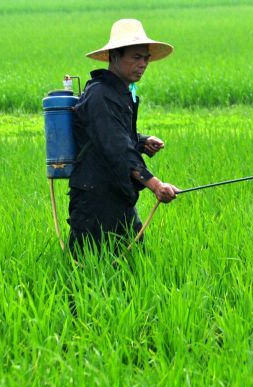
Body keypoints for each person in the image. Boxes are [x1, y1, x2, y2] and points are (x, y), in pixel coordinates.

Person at [68, 19, 178, 256]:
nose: (143, 64)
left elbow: (115, 135)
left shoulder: (119, 93)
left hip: (118, 194)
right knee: (88, 271)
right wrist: (155, 184)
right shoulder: (100, 95)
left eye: (146, 58)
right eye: (136, 57)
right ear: (114, 56)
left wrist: (141, 141)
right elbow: (116, 148)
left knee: (134, 263)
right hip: (94, 201)